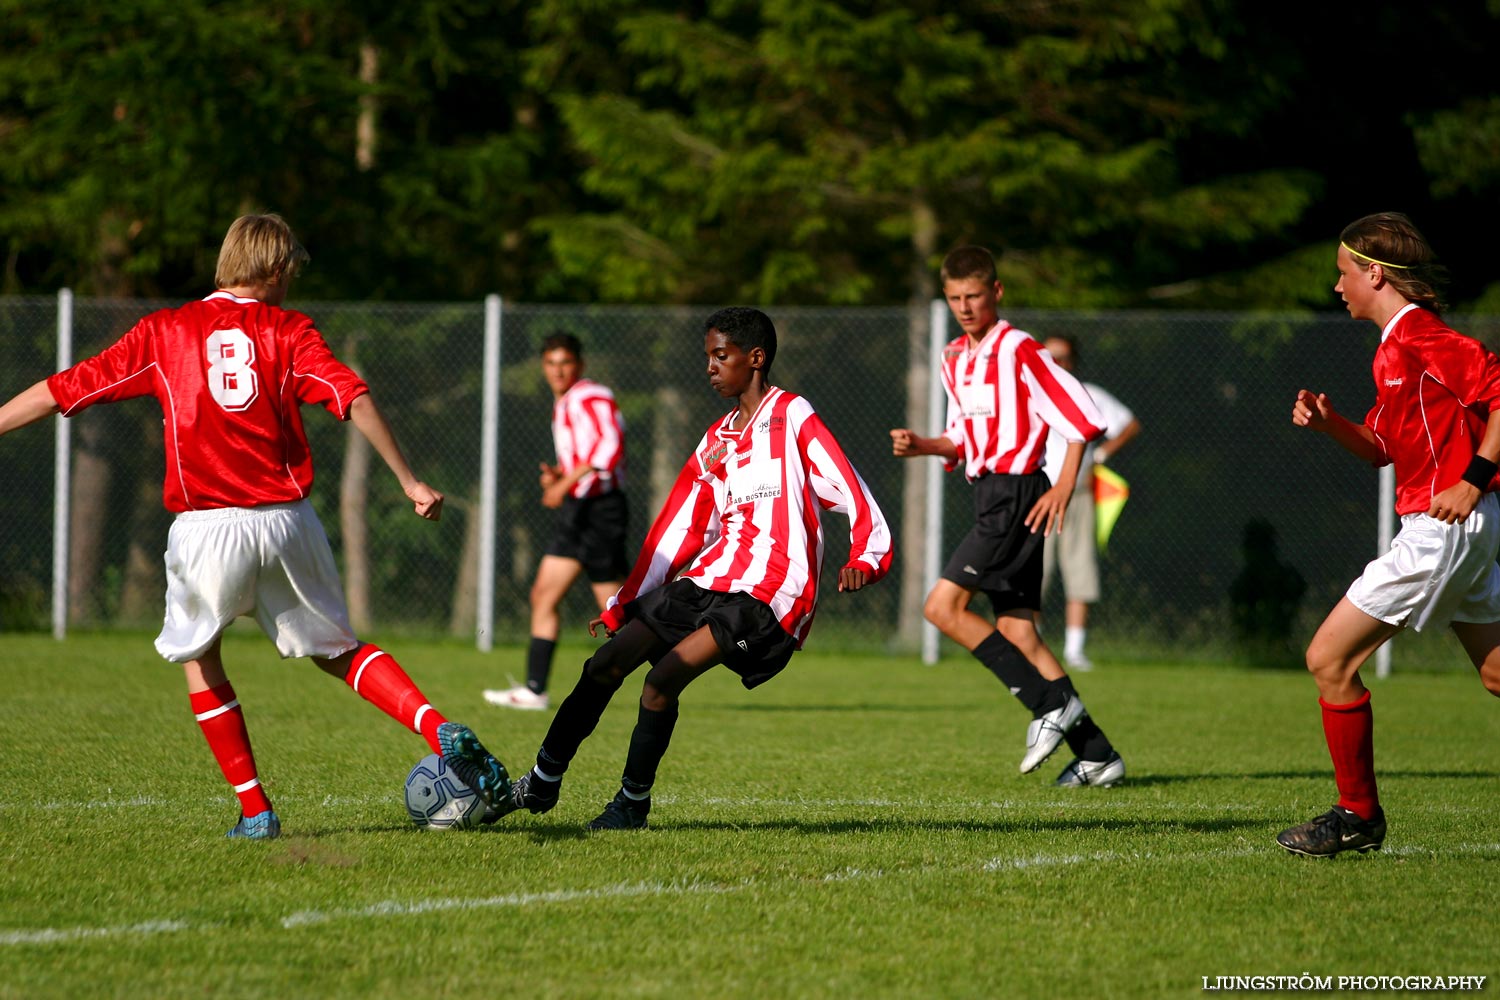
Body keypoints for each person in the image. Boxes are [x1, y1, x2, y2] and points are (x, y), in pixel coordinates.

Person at [0, 214, 509, 839]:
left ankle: (256, 811)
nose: (293, 281)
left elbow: (62, 389)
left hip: (207, 528)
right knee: (341, 650)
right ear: (271, 269)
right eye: (291, 269)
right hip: (287, 522)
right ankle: (439, 729)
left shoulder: (166, 332)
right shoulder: (289, 332)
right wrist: (409, 481)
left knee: (198, 656)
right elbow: (352, 396)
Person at [489, 306, 892, 830]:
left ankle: (631, 803)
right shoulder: (716, 438)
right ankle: (540, 783)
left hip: (768, 593)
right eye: (707, 356)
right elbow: (682, 526)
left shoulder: (792, 414)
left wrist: (866, 555)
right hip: (710, 579)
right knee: (604, 664)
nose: (710, 367)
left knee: (662, 678)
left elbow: (846, 482)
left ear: (756, 358)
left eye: (720, 356)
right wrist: (628, 600)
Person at [1278, 212, 1500, 857]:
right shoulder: (1393, 348)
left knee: (1329, 659)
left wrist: (1475, 476)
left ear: (1374, 272)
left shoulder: (1422, 336)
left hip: (1445, 527)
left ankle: (1357, 816)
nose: (1337, 286)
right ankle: (1358, 817)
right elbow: (1382, 448)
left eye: (1343, 273)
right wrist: (1330, 424)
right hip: (1454, 527)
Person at [890, 245, 1126, 788]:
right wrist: (924, 445)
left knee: (942, 608)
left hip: (1017, 495)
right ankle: (1097, 755)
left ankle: (1050, 706)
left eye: (974, 295)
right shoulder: (954, 357)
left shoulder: (1019, 349)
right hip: (990, 493)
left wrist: (1065, 484)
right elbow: (962, 439)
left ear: (995, 292)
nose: (965, 307)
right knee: (1019, 630)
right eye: (955, 298)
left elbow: (1082, 418)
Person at [482, 332, 628, 711]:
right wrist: (560, 475)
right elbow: (585, 457)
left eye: (565, 363)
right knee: (543, 595)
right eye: (550, 363)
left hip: (601, 511)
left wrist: (564, 483)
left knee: (614, 609)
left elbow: (608, 447)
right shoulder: (563, 403)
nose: (558, 370)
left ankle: (667, 671)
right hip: (576, 512)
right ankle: (534, 690)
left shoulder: (591, 395)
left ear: (579, 365)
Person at [1039, 335, 1141, 670]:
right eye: (1050, 356)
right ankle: (1030, 644)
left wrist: (1102, 453)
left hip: (1077, 496)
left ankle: (1074, 650)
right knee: (1033, 574)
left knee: (1079, 571)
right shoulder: (1030, 396)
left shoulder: (1089, 395)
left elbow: (1128, 425)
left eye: (1064, 357)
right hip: (1037, 495)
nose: (1057, 363)